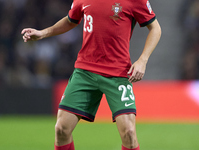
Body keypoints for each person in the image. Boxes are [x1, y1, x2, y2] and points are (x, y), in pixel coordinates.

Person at [21, 0, 161, 149]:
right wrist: (43, 33)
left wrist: (142, 60)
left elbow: (155, 29)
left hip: (117, 73)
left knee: (129, 133)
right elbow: (70, 20)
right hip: (85, 72)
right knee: (61, 129)